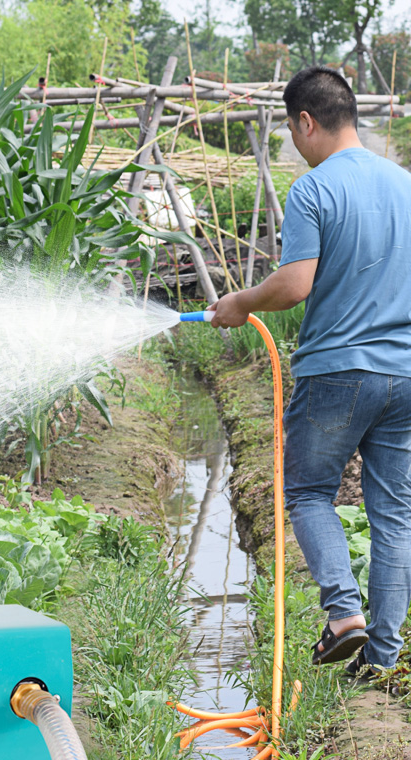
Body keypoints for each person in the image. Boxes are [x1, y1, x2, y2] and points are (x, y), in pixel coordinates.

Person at [208, 66, 411, 676]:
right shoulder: (405, 184)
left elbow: (295, 285)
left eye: (293, 134)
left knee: (308, 492)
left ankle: (343, 611)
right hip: (405, 373)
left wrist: (240, 302)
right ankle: (380, 657)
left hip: (338, 372)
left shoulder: (316, 189)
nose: (296, 148)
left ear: (306, 121)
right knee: (394, 512)